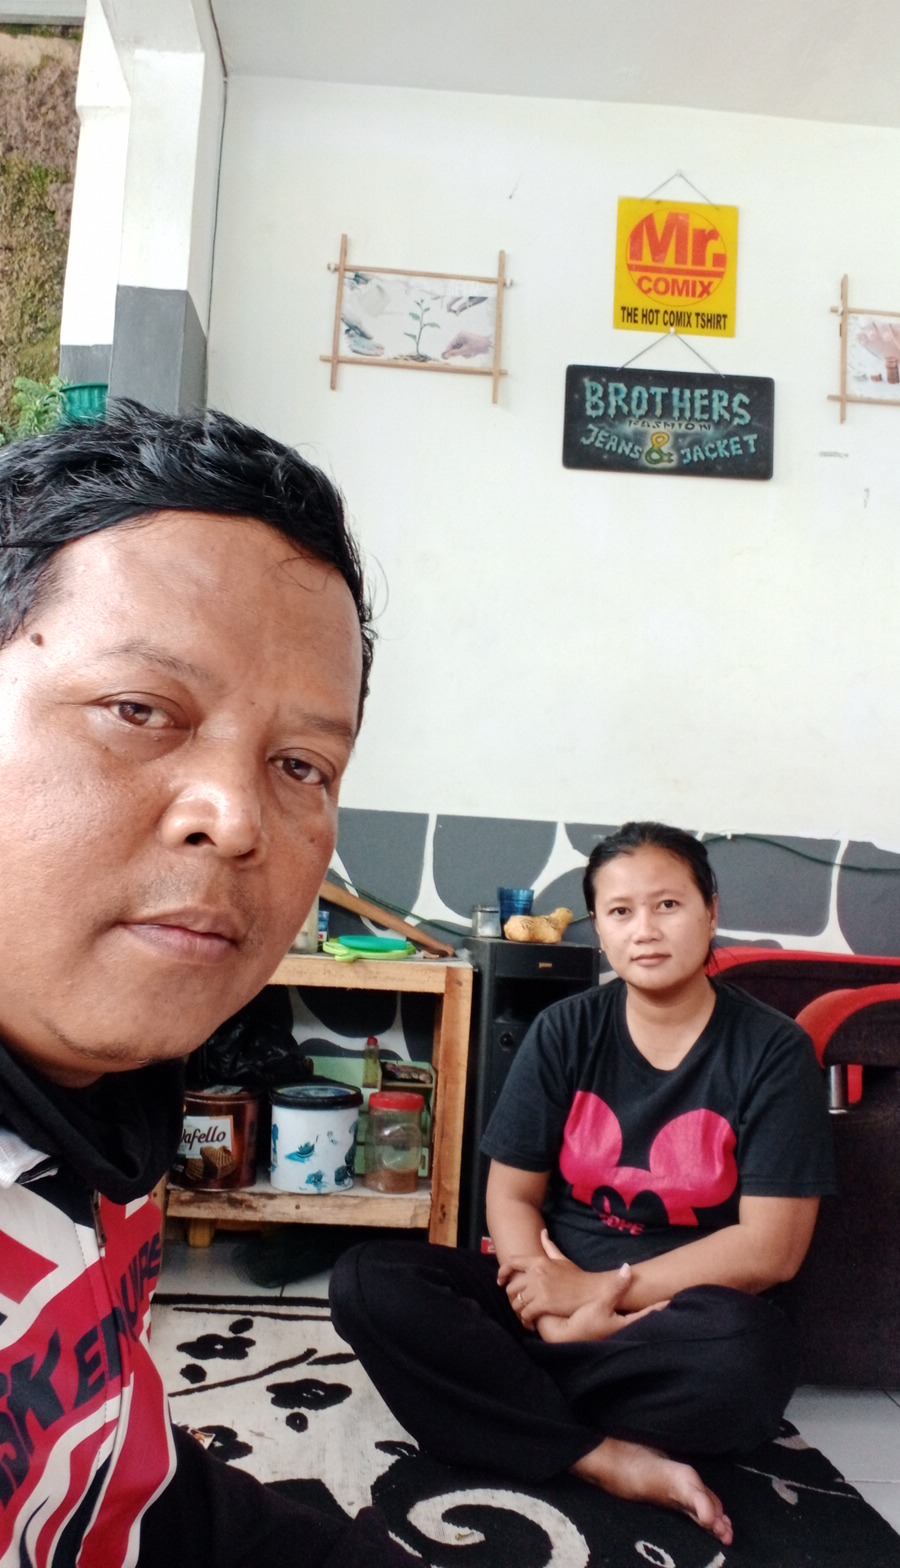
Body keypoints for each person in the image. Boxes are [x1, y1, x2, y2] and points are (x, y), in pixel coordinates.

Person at [0, 401, 416, 1567]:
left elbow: (118, 1473)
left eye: (301, 764)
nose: (236, 819)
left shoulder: (105, 1092)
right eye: (138, 710)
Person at [330, 821, 837, 1547]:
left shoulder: (774, 1051)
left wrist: (598, 1296)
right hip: (548, 1300)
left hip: (668, 1319)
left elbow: (771, 1250)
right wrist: (545, 1304)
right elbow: (511, 1194)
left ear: (711, 911)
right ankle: (603, 1457)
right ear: (598, 927)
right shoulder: (565, 1029)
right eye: (620, 911)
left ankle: (504, 1409)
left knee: (746, 1354)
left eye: (668, 905)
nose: (645, 930)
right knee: (368, 1280)